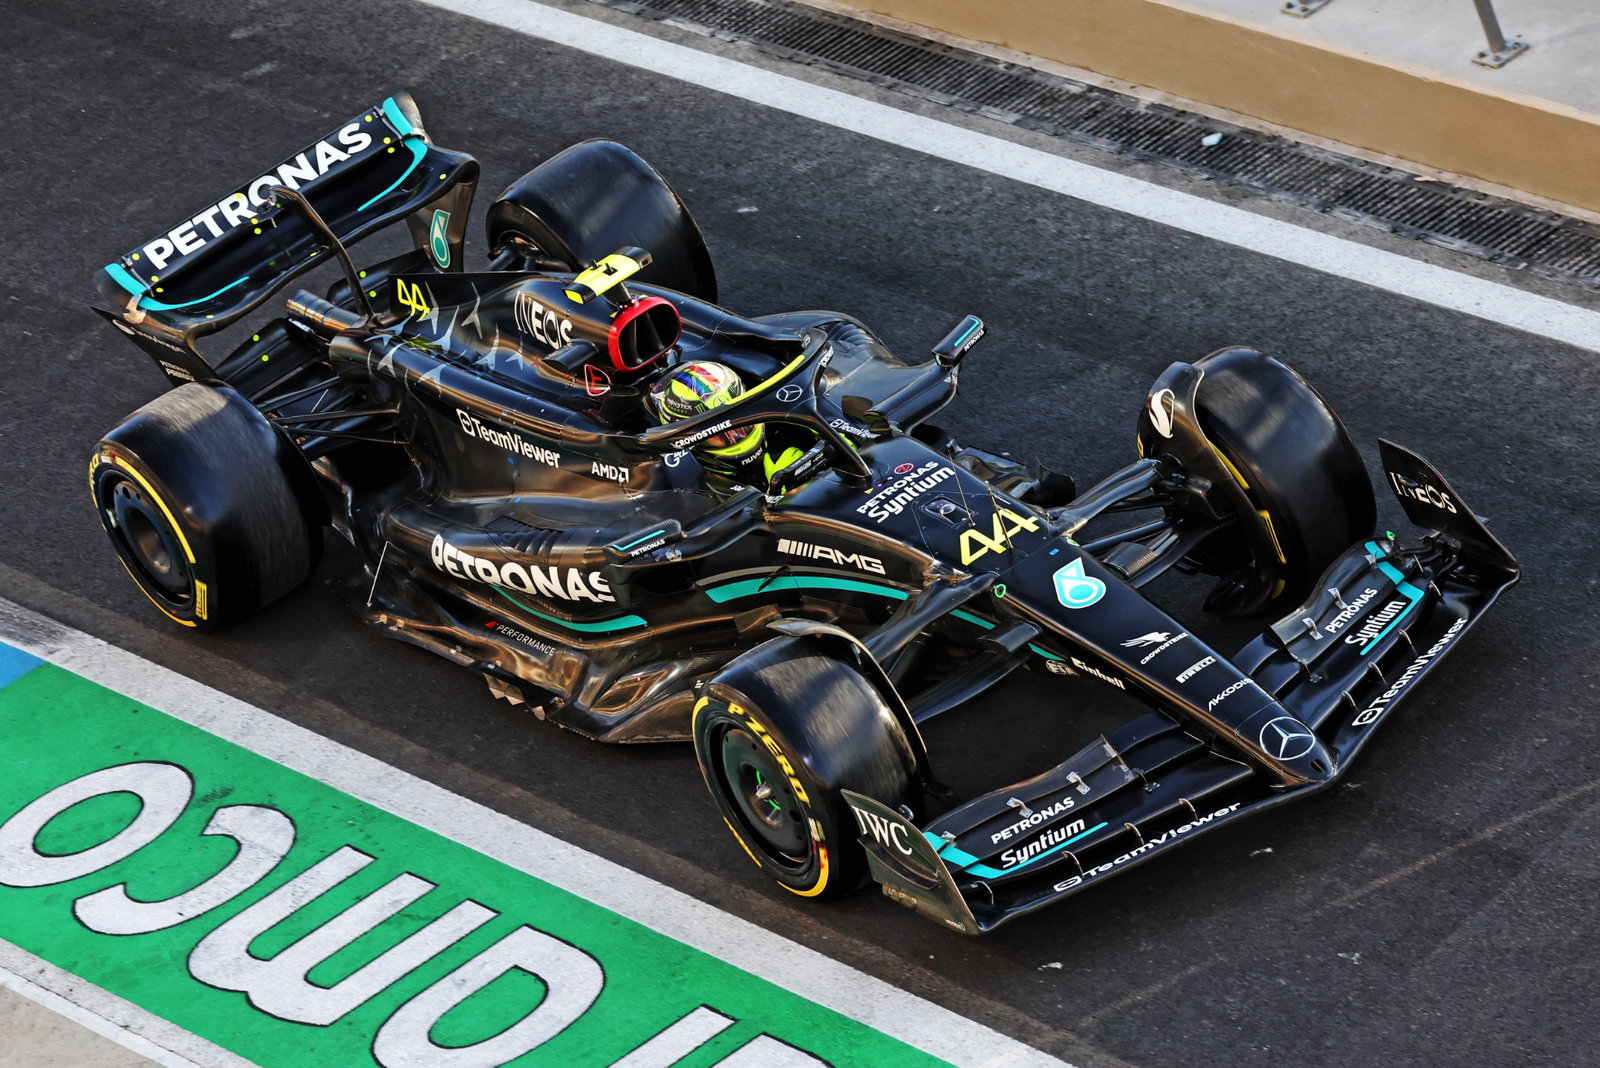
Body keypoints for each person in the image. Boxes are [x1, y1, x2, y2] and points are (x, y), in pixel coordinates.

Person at [647, 361, 806, 488]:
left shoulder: (783, 442)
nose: (736, 436)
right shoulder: (679, 481)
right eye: (719, 435)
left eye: (741, 423)